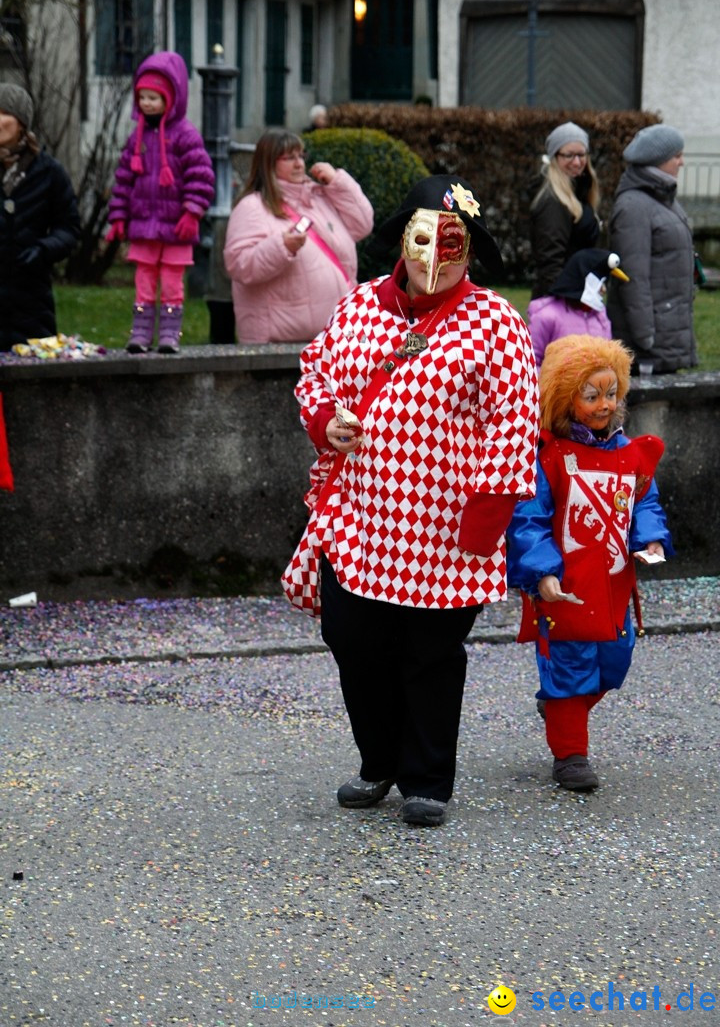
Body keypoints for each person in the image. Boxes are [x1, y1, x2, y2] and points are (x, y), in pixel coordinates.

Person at [282, 175, 539, 827]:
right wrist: (326, 421)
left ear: (469, 251)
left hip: (446, 529)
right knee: (350, 635)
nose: (434, 256)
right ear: (402, 237)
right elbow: (316, 371)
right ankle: (381, 760)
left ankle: (426, 778)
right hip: (361, 519)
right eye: (423, 238)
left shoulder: (497, 326)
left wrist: (485, 523)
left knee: (428, 655)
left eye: (452, 243)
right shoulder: (360, 305)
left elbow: (514, 425)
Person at [507, 335, 673, 792]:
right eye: (592, 394)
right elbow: (529, 517)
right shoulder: (549, 457)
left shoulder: (628, 454)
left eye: (611, 392)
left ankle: (565, 708)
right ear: (566, 397)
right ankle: (570, 752)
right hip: (567, 586)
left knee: (614, 661)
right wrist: (541, 570)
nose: (605, 405)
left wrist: (651, 538)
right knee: (570, 668)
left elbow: (644, 502)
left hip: (616, 583)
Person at [106, 51, 215, 354]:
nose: (147, 104)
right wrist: (118, 217)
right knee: (143, 282)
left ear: (172, 98)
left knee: (171, 284)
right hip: (144, 226)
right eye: (143, 97)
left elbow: (201, 176)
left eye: (155, 97)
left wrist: (192, 211)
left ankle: (169, 334)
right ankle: (140, 333)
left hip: (177, 228)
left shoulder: (186, 136)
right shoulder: (137, 138)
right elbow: (124, 180)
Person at [223, 128, 373, 343]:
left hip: (334, 338)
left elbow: (363, 224)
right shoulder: (252, 207)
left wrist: (338, 184)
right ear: (269, 163)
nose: (299, 164)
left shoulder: (319, 197)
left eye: (301, 156)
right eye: (289, 158)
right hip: (281, 344)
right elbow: (239, 264)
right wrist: (281, 247)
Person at [606, 124, 696, 374]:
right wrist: (646, 338)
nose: (682, 162)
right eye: (676, 156)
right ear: (657, 161)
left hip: (667, 331)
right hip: (649, 341)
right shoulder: (634, 207)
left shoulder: (664, 199)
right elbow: (633, 278)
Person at [0, 83, 80, 351]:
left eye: (3, 113)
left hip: (31, 301)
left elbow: (69, 228)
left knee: (32, 380)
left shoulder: (49, 172)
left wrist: (43, 250)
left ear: (21, 123)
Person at [529, 121, 601, 299]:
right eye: (569, 155)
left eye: (581, 154)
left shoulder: (580, 191)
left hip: (578, 295)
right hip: (562, 301)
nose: (577, 162)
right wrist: (571, 300)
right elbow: (551, 264)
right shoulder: (552, 201)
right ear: (555, 157)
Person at [527, 248, 629, 366]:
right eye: (600, 284)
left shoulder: (600, 315)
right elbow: (530, 362)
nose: (604, 290)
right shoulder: (547, 316)